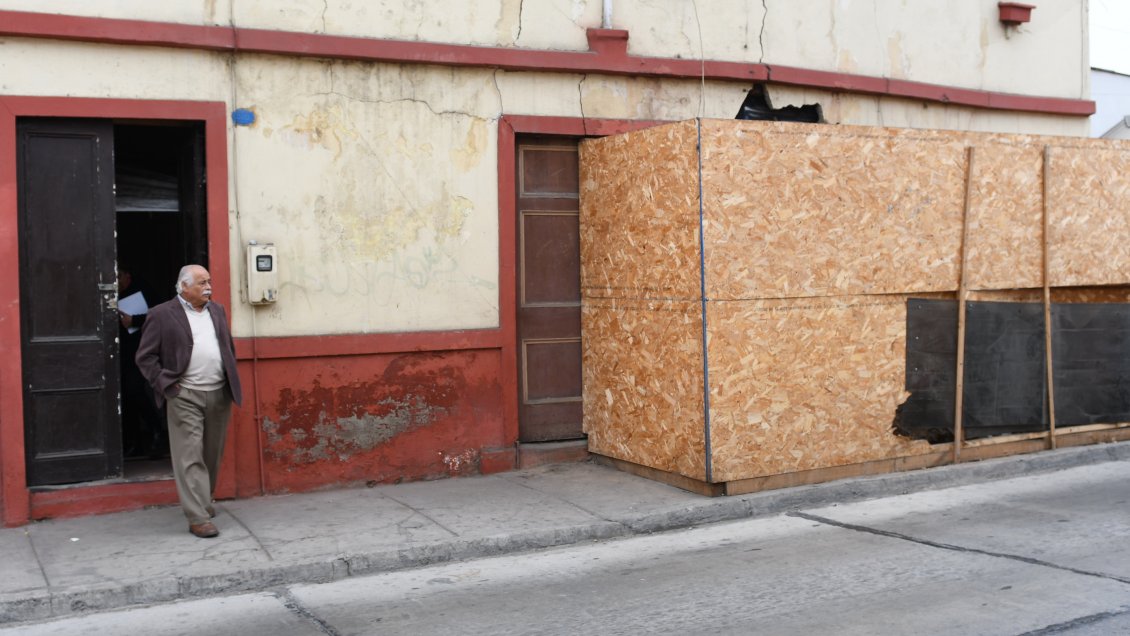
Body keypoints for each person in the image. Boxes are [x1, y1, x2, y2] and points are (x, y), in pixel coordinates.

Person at [136, 265, 242, 538]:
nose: (208, 287)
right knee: (190, 454)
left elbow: (226, 346)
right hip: (184, 395)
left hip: (219, 392)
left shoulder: (217, 310)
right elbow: (145, 357)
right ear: (183, 287)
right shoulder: (161, 314)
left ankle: (203, 501)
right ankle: (197, 517)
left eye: (209, 282)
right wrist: (166, 384)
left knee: (211, 454)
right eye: (201, 283)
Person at [117, 266, 167, 459]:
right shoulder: (112, 294)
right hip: (120, 352)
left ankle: (158, 432)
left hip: (142, 350)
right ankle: (134, 442)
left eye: (119, 276)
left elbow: (160, 316)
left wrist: (134, 320)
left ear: (127, 276)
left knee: (135, 390)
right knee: (125, 396)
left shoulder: (143, 289)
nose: (116, 281)